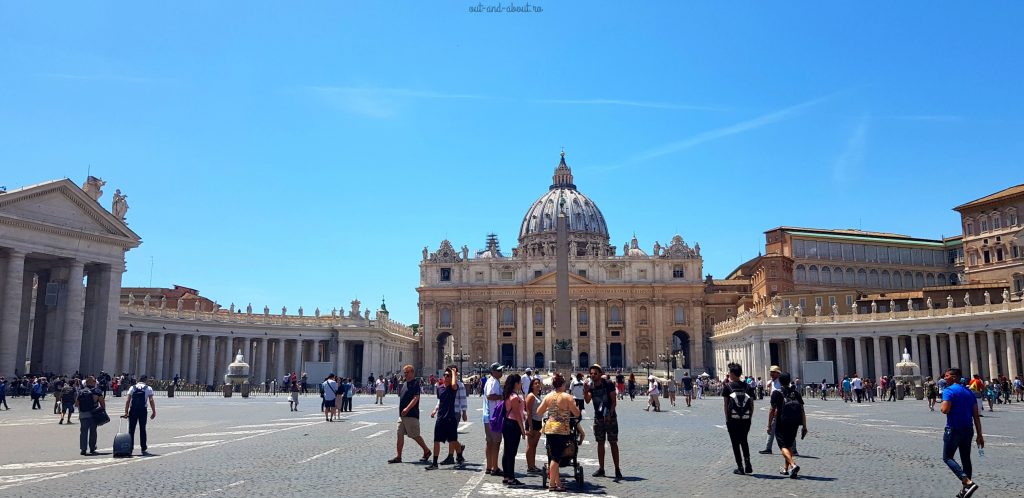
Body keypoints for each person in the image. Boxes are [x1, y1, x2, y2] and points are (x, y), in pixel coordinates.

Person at [940, 368, 983, 498]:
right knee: (965, 458)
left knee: (947, 457)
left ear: (954, 377)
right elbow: (976, 415)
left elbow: (945, 409)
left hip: (953, 429)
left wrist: (942, 406)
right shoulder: (969, 393)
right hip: (968, 429)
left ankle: (967, 481)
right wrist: (979, 435)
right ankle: (966, 490)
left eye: (946, 376)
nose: (944, 378)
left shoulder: (949, 391)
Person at [537, 373, 582, 492]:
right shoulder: (567, 397)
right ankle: (552, 484)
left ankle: (558, 483)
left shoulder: (548, 396)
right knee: (556, 458)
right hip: (561, 430)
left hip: (549, 429)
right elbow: (577, 413)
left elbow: (539, 411)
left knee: (553, 456)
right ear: (562, 384)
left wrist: (551, 409)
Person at [585, 364, 622, 480]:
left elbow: (613, 401)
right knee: (600, 443)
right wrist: (585, 391)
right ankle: (601, 468)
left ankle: (617, 468)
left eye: (595, 373)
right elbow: (587, 401)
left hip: (610, 418)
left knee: (613, 442)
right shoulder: (590, 386)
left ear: (600, 374)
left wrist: (610, 414)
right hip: (598, 418)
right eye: (591, 373)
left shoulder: (608, 384)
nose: (592, 375)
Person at [388, 365, 432, 464]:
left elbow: (416, 398)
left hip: (411, 414)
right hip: (402, 416)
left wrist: (407, 408)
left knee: (415, 435)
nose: (405, 374)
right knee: (399, 434)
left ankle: (426, 450)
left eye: (407, 372)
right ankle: (399, 457)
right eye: (404, 372)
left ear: (412, 372)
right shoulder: (404, 384)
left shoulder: (415, 383)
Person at [426, 367, 466, 470]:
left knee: (453, 440)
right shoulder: (440, 388)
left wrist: (454, 373)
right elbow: (440, 401)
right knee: (436, 440)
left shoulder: (453, 388)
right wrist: (435, 410)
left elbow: (453, 385)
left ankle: (459, 454)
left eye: (449, 376)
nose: (446, 377)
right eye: (445, 375)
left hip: (450, 417)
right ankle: (435, 463)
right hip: (441, 417)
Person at [768, 372, 807, 478]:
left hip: (782, 422)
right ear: (789, 381)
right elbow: (802, 410)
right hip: (795, 423)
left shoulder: (777, 393)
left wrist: (769, 425)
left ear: (779, 381)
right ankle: (786, 469)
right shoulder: (796, 393)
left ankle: (793, 465)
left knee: (783, 446)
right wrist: (804, 426)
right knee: (789, 445)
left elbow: (772, 410)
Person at [722, 362, 754, 475]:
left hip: (733, 419)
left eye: (729, 372)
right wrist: (749, 417)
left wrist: (727, 419)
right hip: (746, 419)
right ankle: (748, 463)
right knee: (744, 440)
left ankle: (740, 467)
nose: (728, 374)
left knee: (735, 443)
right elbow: (751, 404)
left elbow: (726, 405)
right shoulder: (747, 386)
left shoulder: (728, 387)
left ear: (732, 374)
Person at [499, 374, 527, 487]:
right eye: (520, 382)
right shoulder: (514, 397)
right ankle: (511, 478)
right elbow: (516, 413)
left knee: (507, 451)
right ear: (516, 383)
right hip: (513, 425)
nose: (521, 384)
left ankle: (506, 476)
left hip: (507, 424)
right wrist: (522, 429)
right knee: (512, 452)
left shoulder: (508, 394)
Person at [123, 375, 156, 455]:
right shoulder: (148, 388)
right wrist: (154, 411)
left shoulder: (132, 388)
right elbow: (151, 400)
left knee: (131, 429)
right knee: (142, 429)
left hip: (133, 410)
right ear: (145, 380)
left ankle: (130, 448)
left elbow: (128, 400)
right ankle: (143, 447)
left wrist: (126, 412)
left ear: (138, 380)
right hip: (143, 410)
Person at [482, 363, 504, 476]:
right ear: (493, 372)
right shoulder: (494, 381)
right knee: (496, 442)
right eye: (499, 370)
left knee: (489, 442)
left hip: (487, 416)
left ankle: (489, 467)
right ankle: (494, 467)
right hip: (493, 416)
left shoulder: (490, 381)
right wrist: (502, 397)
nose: (501, 372)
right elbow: (490, 396)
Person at [75, 376, 105, 456]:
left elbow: (77, 403)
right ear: (93, 382)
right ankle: (92, 448)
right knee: (93, 432)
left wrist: (80, 411)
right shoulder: (97, 391)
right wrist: (102, 410)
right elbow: (102, 402)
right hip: (93, 414)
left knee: (83, 432)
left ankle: (83, 449)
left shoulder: (80, 391)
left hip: (83, 414)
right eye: (95, 381)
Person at [524, 377, 545, 474]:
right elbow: (528, 412)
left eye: (538, 383)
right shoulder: (531, 396)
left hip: (538, 421)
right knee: (530, 445)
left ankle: (533, 465)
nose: (537, 385)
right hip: (532, 422)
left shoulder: (537, 395)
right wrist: (530, 427)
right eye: (535, 383)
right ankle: (530, 466)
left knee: (534, 445)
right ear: (532, 386)